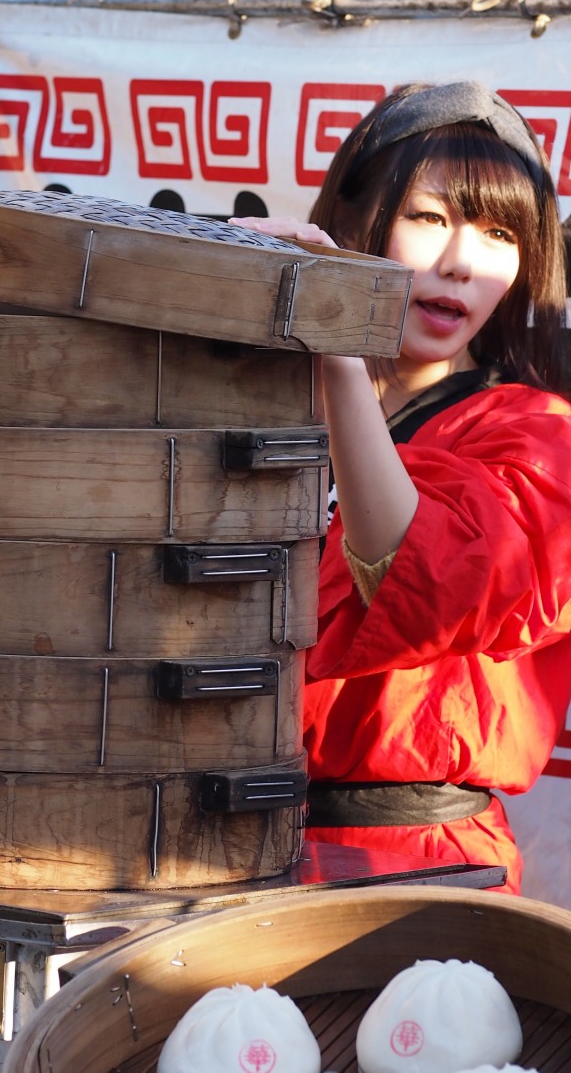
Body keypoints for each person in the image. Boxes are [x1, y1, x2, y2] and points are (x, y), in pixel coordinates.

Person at [232, 80, 571, 894]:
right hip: (214, 841)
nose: (460, 260)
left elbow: (427, 578)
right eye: (429, 217)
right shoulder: (249, 414)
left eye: (498, 233)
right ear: (352, 224)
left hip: (418, 867)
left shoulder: (537, 433)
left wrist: (339, 349)